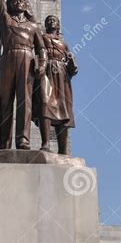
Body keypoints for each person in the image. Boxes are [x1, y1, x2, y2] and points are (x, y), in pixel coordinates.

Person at [0, 0, 46, 149]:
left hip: (27, 59)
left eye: (21, 1)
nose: (18, 2)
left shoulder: (33, 26)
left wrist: (43, 64)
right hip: (8, 57)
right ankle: (4, 142)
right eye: (14, 0)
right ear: (9, 4)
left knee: (25, 101)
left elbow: (41, 48)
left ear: (26, 6)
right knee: (5, 101)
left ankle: (23, 139)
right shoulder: (5, 20)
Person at [37, 15, 78, 155]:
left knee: (63, 109)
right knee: (45, 103)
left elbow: (71, 64)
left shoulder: (63, 43)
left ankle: (63, 150)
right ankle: (45, 143)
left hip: (61, 74)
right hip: (47, 71)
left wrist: (71, 61)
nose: (51, 21)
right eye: (48, 20)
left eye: (54, 20)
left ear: (58, 25)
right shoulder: (42, 37)